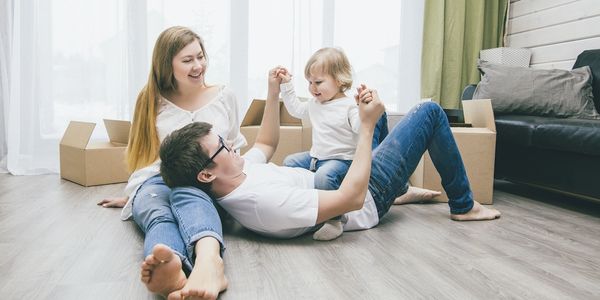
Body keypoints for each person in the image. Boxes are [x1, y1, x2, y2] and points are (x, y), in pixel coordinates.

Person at [158, 67, 501, 242]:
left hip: (342, 180)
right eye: (223, 146)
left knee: (373, 110)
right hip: (365, 197)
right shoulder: (261, 204)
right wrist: (365, 129)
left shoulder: (235, 175)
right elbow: (350, 199)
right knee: (429, 112)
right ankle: (464, 205)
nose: (233, 144)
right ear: (206, 174)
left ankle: (402, 189)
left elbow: (264, 144)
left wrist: (273, 92)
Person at [97, 26, 243, 299]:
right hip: (157, 179)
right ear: (167, 65)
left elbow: (233, 146)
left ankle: (209, 261)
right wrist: (134, 194)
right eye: (187, 60)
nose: (198, 66)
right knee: (157, 210)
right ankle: (170, 265)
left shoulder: (225, 96)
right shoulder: (150, 99)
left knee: (191, 198)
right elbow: (143, 155)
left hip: (205, 181)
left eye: (200, 56)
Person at [277, 47, 439, 240]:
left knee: (324, 178)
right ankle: (303, 202)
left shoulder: (347, 106)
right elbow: (295, 109)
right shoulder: (314, 104)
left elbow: (361, 127)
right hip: (316, 157)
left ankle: (335, 220)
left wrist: (363, 110)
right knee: (289, 162)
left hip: (342, 160)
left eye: (318, 82)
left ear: (339, 80)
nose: (312, 88)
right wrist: (286, 85)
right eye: (309, 82)